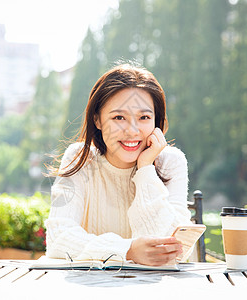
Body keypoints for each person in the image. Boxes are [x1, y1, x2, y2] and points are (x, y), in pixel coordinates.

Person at [45, 63, 192, 266]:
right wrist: (128, 251)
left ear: (156, 121)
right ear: (97, 119)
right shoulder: (80, 158)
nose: (132, 131)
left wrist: (146, 169)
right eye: (119, 117)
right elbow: (58, 238)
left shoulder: (170, 162)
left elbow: (170, 250)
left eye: (144, 117)